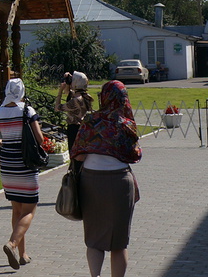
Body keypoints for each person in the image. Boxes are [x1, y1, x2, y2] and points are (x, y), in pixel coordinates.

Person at [72, 80, 141, 277]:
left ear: (103, 97)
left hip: (91, 181)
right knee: (119, 242)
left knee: (94, 238)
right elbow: (135, 155)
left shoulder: (90, 121)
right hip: (120, 183)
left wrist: (96, 148)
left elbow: (77, 154)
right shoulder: (127, 125)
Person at [0, 77, 46, 270]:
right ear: (22, 92)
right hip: (25, 165)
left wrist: (3, 142)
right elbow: (40, 139)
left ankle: (22, 254)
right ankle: (12, 244)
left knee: (17, 210)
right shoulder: (27, 111)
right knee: (29, 210)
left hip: (8, 166)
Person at [55, 71, 94, 153]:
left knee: (74, 154)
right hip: (82, 128)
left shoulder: (75, 101)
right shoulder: (85, 96)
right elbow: (69, 93)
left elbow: (57, 108)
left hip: (74, 129)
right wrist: (68, 81)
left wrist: (60, 91)